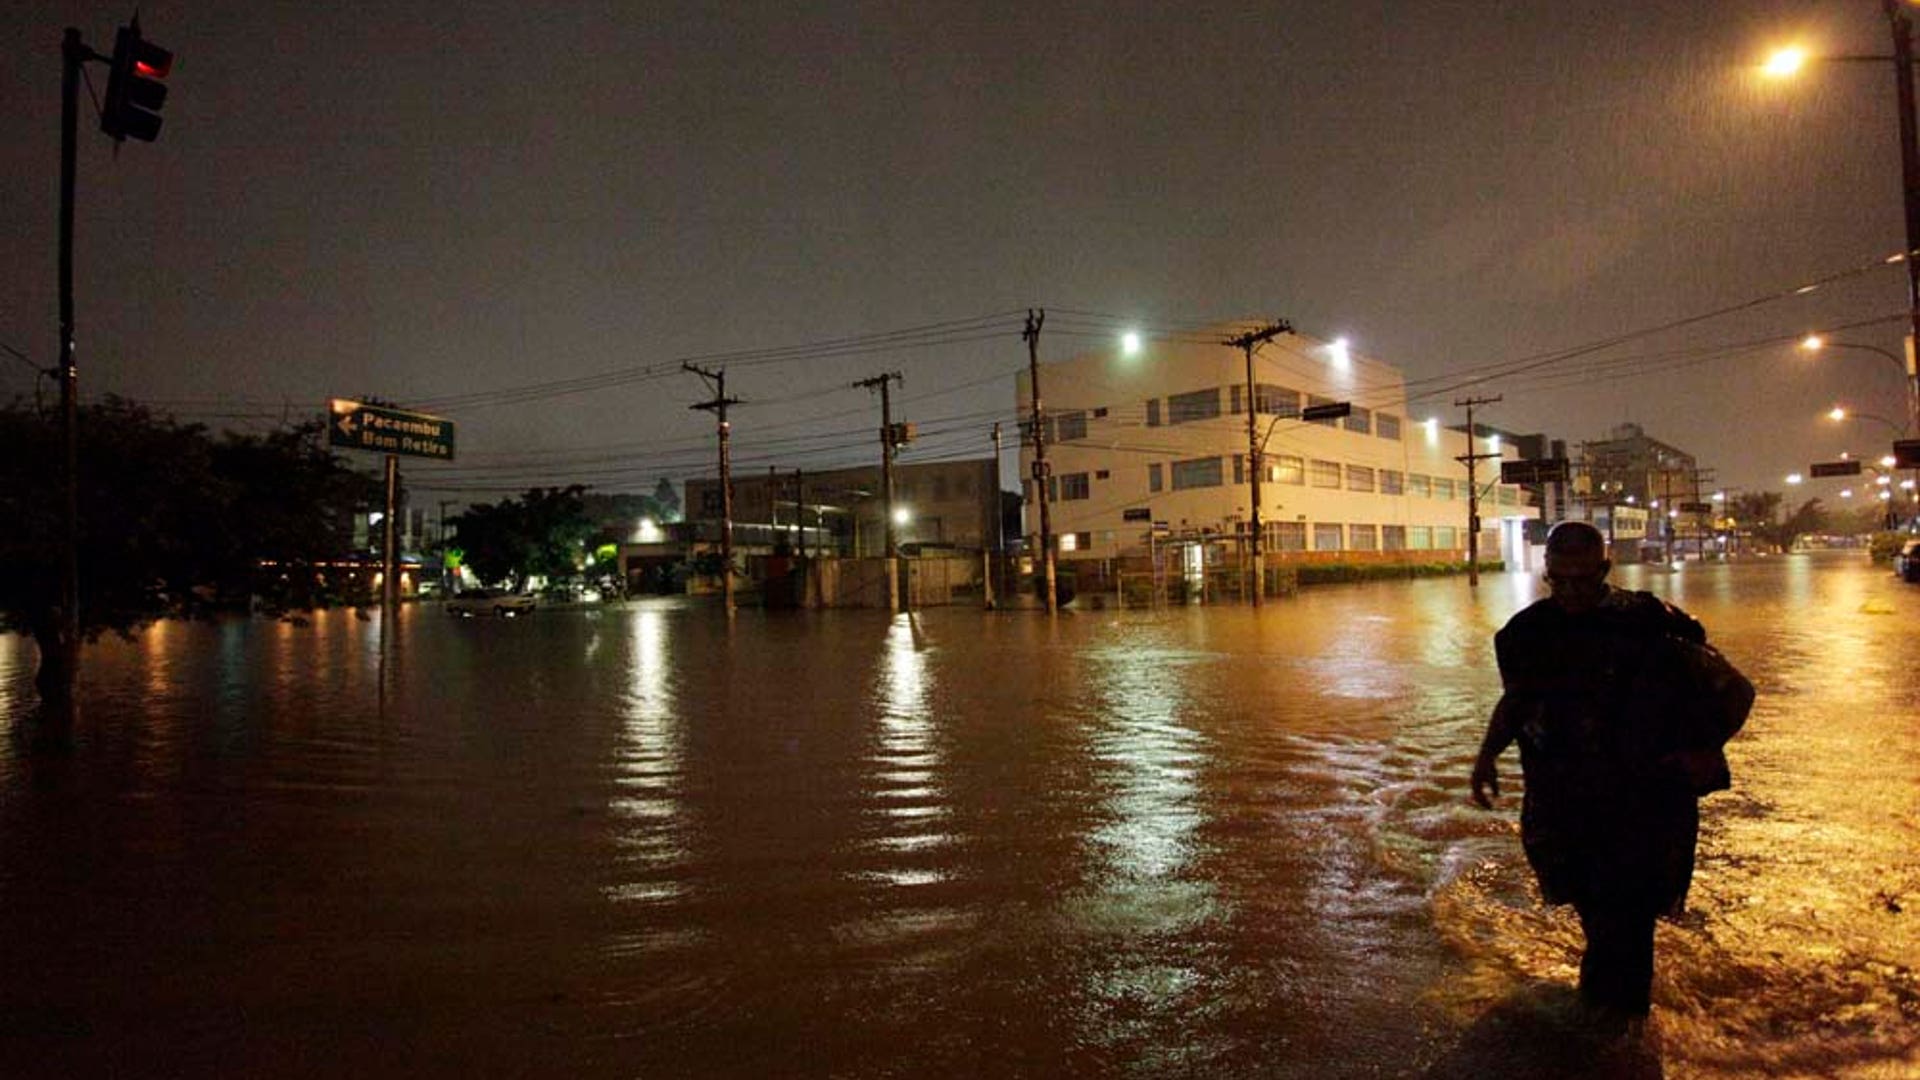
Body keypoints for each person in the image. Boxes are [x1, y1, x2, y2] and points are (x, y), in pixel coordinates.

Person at [1470, 520, 1738, 1023]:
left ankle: (1619, 1028)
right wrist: (1487, 756)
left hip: (1644, 799)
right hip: (1563, 798)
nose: (1571, 591)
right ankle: (1605, 1015)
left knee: (1629, 915)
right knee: (1595, 909)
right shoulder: (1526, 634)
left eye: (1583, 579)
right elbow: (1518, 700)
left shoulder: (1651, 623)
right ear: (1546, 572)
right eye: (1560, 580)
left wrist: (1703, 748)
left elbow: (1728, 688)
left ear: (1605, 570)